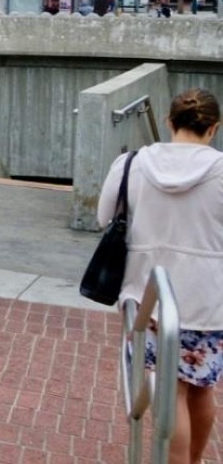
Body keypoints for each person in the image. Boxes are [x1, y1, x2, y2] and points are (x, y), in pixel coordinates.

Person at [97, 88, 223, 464]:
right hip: (209, 299)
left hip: (150, 296)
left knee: (170, 392)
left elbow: (106, 218)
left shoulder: (132, 164)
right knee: (200, 390)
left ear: (169, 122)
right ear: (213, 129)